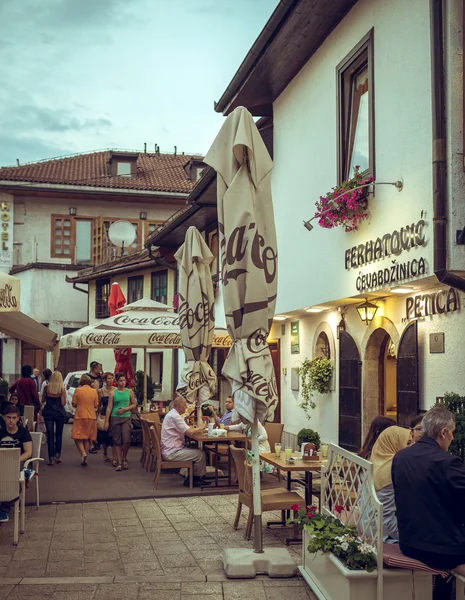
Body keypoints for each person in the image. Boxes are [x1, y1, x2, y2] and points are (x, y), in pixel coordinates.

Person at [392, 407, 465, 575]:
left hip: (408, 543)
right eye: (452, 433)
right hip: (442, 550)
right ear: (444, 432)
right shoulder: (448, 462)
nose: (453, 438)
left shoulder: (401, 457)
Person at [370, 426, 410, 544]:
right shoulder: (389, 472)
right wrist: (407, 537)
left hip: (369, 527)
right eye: (407, 442)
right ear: (394, 443)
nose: (410, 446)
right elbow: (386, 518)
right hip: (382, 536)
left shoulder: (376, 463)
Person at [161, 396, 210, 487]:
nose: (186, 407)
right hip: (172, 452)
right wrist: (203, 427)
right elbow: (189, 431)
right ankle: (195, 479)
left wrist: (194, 429)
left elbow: (186, 429)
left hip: (168, 449)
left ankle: (195, 476)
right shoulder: (175, 416)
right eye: (185, 405)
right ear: (179, 407)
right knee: (200, 454)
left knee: (194, 449)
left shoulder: (172, 414)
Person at [0, 404, 32, 523]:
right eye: (8, 417)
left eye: (14, 418)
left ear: (18, 418)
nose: (11, 420)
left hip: (18, 462)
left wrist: (14, 460)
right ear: (4, 417)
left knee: (13, 476)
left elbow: (28, 452)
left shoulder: (23, 432)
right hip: (2, 462)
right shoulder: (1, 432)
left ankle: (4, 508)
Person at [106, 372, 136, 472]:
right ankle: (119, 462)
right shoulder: (113, 393)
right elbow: (109, 407)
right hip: (115, 417)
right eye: (120, 381)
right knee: (117, 441)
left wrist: (126, 409)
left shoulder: (129, 392)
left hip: (126, 417)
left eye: (124, 380)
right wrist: (106, 421)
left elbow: (134, 404)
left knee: (127, 439)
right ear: (117, 382)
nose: (123, 383)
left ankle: (124, 457)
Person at [71, 374, 98, 466]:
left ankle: (83, 453)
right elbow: (96, 405)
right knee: (87, 437)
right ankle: (85, 456)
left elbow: (74, 403)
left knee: (76, 436)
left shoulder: (78, 390)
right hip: (91, 416)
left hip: (80, 415)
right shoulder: (94, 391)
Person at [41, 371, 66, 466]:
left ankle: (51, 458)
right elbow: (63, 403)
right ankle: (57, 456)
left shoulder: (47, 388)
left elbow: (43, 400)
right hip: (59, 413)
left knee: (50, 435)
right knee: (59, 435)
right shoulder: (62, 389)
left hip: (48, 413)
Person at [98, 372, 114, 463]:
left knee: (113, 434)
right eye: (109, 378)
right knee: (104, 434)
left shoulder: (115, 390)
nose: (111, 380)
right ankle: (105, 453)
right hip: (104, 412)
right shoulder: (101, 391)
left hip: (113, 413)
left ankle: (114, 455)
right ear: (104, 380)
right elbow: (99, 404)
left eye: (112, 378)